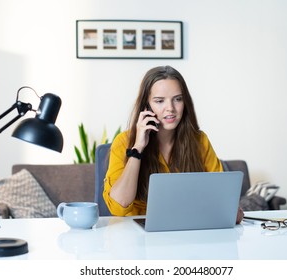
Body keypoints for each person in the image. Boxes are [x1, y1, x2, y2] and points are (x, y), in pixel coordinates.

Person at [102, 65, 244, 224]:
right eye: (159, 101)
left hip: (186, 229)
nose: (170, 109)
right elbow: (118, 206)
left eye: (178, 99)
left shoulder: (199, 141)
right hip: (137, 235)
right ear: (146, 106)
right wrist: (138, 149)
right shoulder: (124, 142)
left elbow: (222, 198)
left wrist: (231, 211)